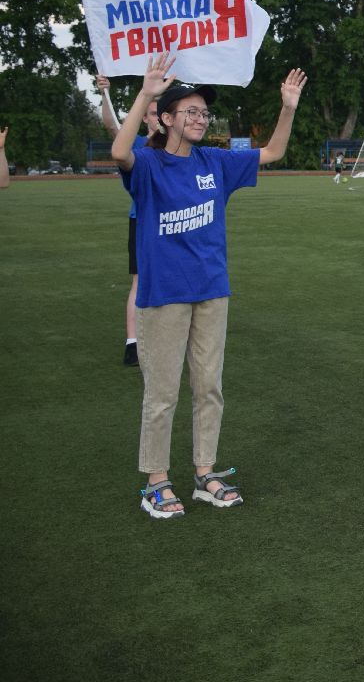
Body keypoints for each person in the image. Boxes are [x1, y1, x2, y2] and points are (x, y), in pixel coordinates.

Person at [112, 52, 306, 519]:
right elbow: (119, 152)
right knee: (161, 393)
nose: (201, 119)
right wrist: (145, 93)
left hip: (212, 291)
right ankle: (156, 481)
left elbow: (273, 153)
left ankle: (205, 473)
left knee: (209, 386)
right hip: (163, 296)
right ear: (166, 119)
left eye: (204, 112)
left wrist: (288, 107)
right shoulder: (148, 164)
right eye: (191, 112)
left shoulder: (214, 161)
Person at [98, 73, 162, 366]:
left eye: (160, 113)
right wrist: (104, 93)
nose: (156, 118)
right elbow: (111, 125)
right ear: (146, 118)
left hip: (176, 222)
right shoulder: (135, 143)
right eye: (151, 113)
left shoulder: (179, 145)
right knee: (140, 280)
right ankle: (133, 342)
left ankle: (166, 336)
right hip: (144, 221)